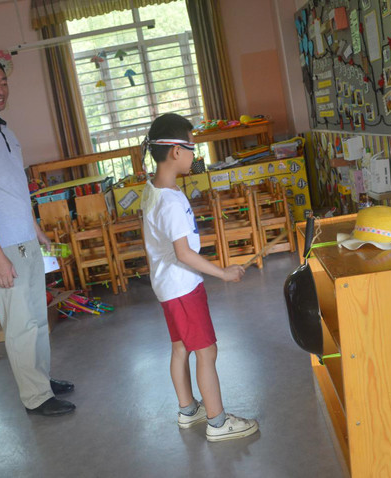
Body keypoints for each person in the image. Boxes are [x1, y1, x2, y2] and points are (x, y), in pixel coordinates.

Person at [0, 55, 75, 417]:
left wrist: (36, 229)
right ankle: (35, 398)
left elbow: (14, 190)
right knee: (20, 326)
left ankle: (42, 381)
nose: (0, 89)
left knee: (36, 318)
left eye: (2, 82)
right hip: (3, 247)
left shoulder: (3, 130)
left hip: (24, 241)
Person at [140, 113, 259, 442]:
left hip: (167, 286)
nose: (195, 154)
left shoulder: (152, 189)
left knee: (180, 347)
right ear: (176, 151)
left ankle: (188, 410)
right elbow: (183, 253)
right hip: (182, 287)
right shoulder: (170, 202)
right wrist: (223, 272)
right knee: (207, 352)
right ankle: (218, 423)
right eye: (192, 147)